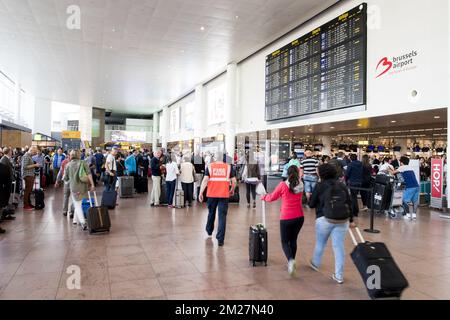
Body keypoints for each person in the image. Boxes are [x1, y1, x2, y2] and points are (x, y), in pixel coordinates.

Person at [309, 164, 353, 284]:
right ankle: (339, 275)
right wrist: (352, 220)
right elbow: (350, 203)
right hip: (343, 220)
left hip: (324, 219)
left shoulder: (320, 185)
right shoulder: (342, 185)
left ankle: (315, 264)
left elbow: (311, 204)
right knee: (338, 247)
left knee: (320, 243)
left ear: (322, 174)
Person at [261, 166, 305, 277]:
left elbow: (272, 197)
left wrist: (264, 197)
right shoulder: (301, 184)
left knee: (285, 241)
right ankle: (292, 261)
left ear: (287, 173)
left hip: (286, 217)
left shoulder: (283, 185)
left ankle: (291, 261)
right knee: (293, 240)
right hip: (299, 216)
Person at [199, 151, 237, 247]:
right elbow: (234, 181)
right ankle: (220, 240)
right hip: (224, 195)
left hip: (212, 194)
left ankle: (209, 231)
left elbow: (205, 180)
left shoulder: (210, 166)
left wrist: (201, 192)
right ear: (223, 158)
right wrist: (232, 189)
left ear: (215, 158)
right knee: (222, 217)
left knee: (211, 213)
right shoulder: (228, 167)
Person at [63, 150, 95, 229]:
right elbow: (89, 174)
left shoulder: (68, 165)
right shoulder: (83, 163)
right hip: (83, 186)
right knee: (78, 203)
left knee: (77, 204)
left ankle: (83, 223)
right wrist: (92, 184)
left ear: (70, 155)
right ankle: (75, 219)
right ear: (79, 155)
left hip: (74, 187)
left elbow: (66, 178)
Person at [55, 153, 74, 218]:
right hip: (73, 182)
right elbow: (60, 171)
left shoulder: (64, 162)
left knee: (66, 196)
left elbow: (60, 172)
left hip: (66, 181)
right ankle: (71, 211)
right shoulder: (77, 162)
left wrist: (57, 181)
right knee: (73, 197)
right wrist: (57, 181)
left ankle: (65, 211)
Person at [21, 146, 40, 211]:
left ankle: (29, 203)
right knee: (27, 191)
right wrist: (35, 165)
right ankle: (26, 205)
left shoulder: (29, 156)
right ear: (31, 150)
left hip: (30, 175)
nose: (35, 153)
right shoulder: (26, 156)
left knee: (29, 191)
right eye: (34, 152)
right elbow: (25, 166)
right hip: (27, 175)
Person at [345, 154, 363, 219]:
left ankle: (354, 212)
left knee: (353, 197)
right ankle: (355, 211)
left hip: (352, 182)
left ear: (351, 158)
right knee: (354, 197)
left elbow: (347, 174)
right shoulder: (361, 164)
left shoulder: (350, 164)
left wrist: (346, 181)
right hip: (359, 182)